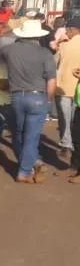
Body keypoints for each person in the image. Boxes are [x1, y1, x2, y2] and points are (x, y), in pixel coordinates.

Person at [0, 19, 56, 183]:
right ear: (37, 36)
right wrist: (47, 100)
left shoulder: (10, 49)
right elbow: (51, 81)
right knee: (32, 136)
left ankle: (32, 164)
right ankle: (26, 169)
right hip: (38, 97)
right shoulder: (46, 53)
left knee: (20, 133)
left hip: (17, 97)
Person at [53, 19, 80, 163]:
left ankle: (67, 145)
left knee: (64, 119)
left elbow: (53, 61)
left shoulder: (65, 45)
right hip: (78, 88)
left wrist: (58, 43)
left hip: (63, 87)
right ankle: (74, 145)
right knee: (75, 120)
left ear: (71, 30)